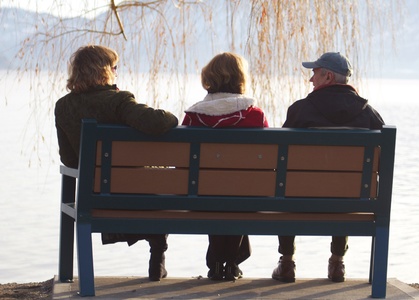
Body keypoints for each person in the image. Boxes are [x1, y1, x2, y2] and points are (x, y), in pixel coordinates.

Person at [54, 45, 179, 281]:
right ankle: (158, 253)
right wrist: (171, 116)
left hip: (96, 196)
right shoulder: (118, 101)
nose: (116, 72)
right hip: (138, 195)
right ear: (105, 70)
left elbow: (69, 160)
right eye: (114, 67)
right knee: (156, 177)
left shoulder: (63, 106)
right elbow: (158, 122)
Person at [272, 52, 385, 283]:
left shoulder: (299, 111)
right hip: (352, 200)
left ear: (328, 76)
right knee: (344, 187)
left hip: (298, 199)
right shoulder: (369, 115)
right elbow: (382, 160)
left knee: (288, 185)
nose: (310, 79)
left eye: (314, 73)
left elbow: (278, 160)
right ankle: (337, 262)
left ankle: (286, 261)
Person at [182, 52, 269, 280]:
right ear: (240, 78)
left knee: (214, 188)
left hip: (199, 197)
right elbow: (268, 162)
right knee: (239, 190)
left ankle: (220, 263)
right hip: (248, 197)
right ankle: (230, 262)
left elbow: (182, 164)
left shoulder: (193, 117)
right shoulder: (255, 116)